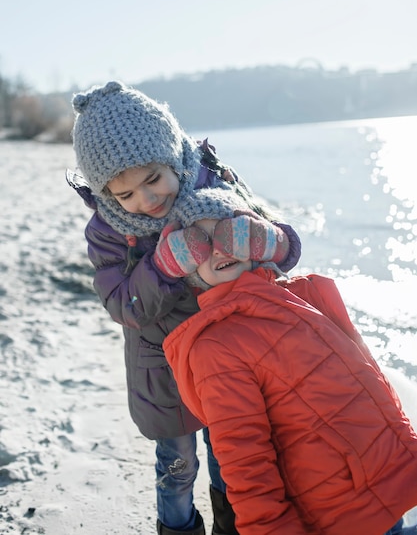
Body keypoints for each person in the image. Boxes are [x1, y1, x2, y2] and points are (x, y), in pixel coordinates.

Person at [67, 80, 302, 535]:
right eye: (126, 194)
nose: (147, 199)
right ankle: (177, 529)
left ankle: (229, 527)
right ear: (106, 194)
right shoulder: (107, 231)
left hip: (233, 359)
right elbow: (121, 304)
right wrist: (165, 264)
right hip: (164, 371)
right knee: (176, 466)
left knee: (232, 458)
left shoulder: (216, 182)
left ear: (172, 152)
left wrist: (266, 240)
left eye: (153, 179)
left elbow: (286, 247)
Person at [163, 213, 417, 535]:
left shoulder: (297, 297)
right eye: (201, 244)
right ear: (187, 268)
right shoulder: (215, 346)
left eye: (230, 235)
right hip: (341, 508)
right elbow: (243, 456)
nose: (218, 250)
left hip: (387, 479)